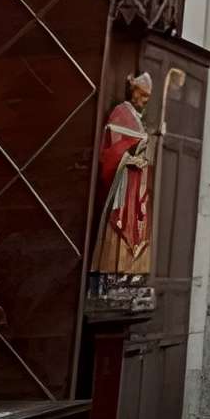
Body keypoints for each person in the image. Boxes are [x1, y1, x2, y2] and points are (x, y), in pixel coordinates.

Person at [90, 70, 157, 289]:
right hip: (123, 184)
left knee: (139, 225)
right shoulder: (120, 112)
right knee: (118, 226)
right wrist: (128, 159)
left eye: (148, 97)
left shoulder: (138, 119)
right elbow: (110, 150)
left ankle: (132, 275)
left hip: (138, 186)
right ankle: (112, 275)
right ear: (134, 92)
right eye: (143, 95)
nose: (145, 101)